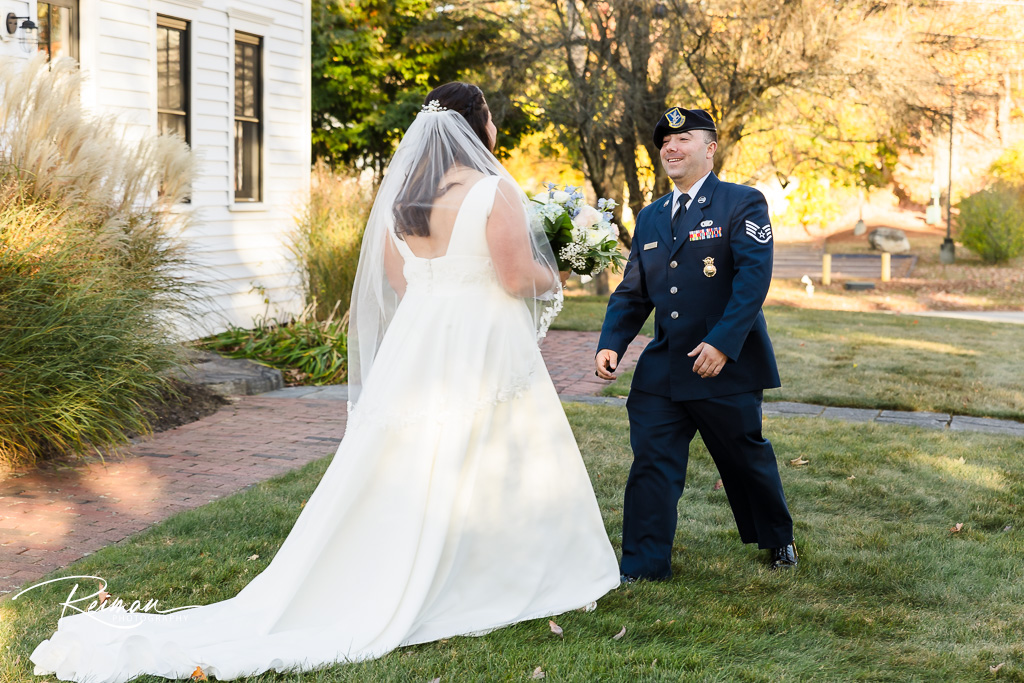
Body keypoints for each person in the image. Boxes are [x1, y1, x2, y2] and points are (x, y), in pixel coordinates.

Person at [31, 82, 620, 683]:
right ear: (477, 127)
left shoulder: (403, 203)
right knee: (497, 447)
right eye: (489, 118)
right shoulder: (495, 189)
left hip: (420, 343)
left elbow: (405, 284)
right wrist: (564, 268)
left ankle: (398, 561)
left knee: (414, 454)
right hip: (481, 340)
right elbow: (519, 278)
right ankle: (500, 568)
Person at [595, 107, 797, 581]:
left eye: (683, 138)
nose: (671, 146)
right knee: (652, 461)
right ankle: (643, 566)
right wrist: (612, 342)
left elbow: (753, 280)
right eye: (665, 140)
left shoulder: (742, 203)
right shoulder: (649, 218)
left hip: (724, 363)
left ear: (710, 148)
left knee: (743, 457)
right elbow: (634, 290)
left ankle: (777, 538)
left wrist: (723, 344)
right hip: (665, 366)